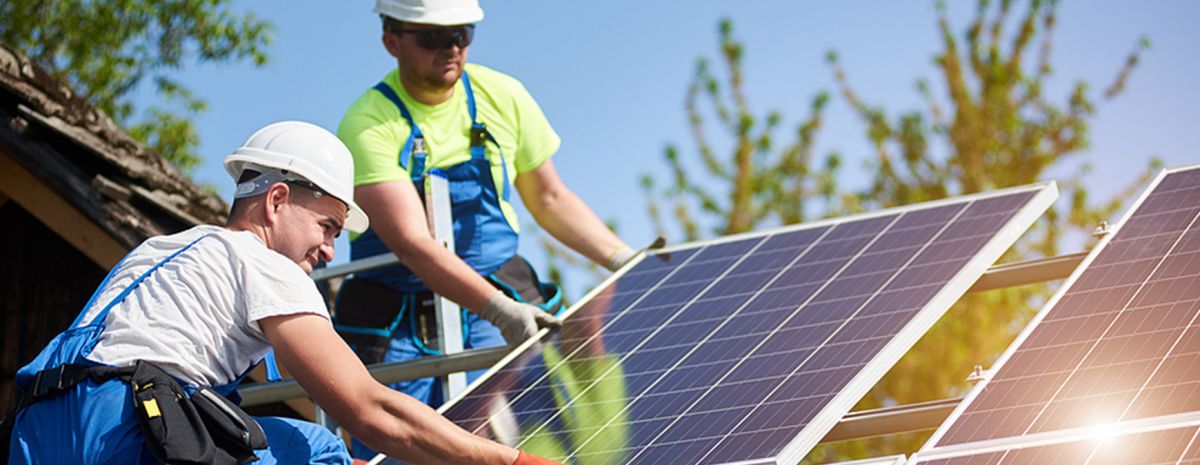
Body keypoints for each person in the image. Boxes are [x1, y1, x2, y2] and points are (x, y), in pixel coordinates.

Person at [1, 121, 563, 465]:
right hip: (126, 433)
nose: (328, 254)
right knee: (315, 446)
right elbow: (369, 410)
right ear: (275, 202)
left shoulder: (157, 252)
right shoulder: (263, 263)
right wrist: (507, 461)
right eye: (327, 228)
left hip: (32, 435)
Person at [335, 0, 638, 450]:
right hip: (401, 326)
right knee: (400, 446)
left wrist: (626, 259)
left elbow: (551, 198)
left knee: (523, 441)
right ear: (392, 41)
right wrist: (497, 309)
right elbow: (414, 244)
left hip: (497, 307)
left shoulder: (503, 96)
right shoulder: (368, 124)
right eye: (434, 37)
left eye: (462, 34)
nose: (452, 48)